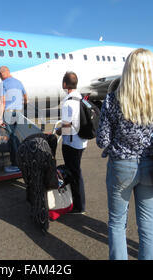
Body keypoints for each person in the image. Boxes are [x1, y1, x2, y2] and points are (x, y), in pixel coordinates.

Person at [96, 48, 153, 260]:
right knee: (147, 224)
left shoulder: (112, 100)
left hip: (121, 166)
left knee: (117, 223)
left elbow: (102, 140)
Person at [56, 71, 87, 215]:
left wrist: (57, 131)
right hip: (81, 142)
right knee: (76, 171)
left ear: (64, 84)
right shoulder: (81, 98)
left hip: (71, 143)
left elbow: (66, 124)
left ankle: (78, 206)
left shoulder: (68, 102)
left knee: (74, 173)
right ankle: (77, 203)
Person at [0, 66, 27, 171]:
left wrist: (0, 118)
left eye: (0, 76)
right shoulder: (18, 82)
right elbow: (26, 95)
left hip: (9, 113)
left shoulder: (3, 84)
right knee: (18, 137)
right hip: (19, 113)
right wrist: (24, 106)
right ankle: (22, 161)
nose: (0, 78)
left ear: (2, 74)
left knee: (12, 139)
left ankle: (15, 164)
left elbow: (2, 101)